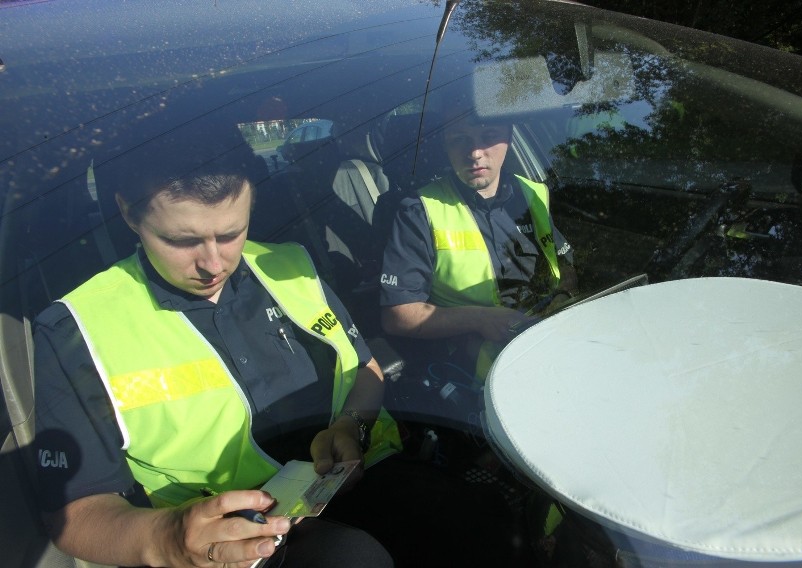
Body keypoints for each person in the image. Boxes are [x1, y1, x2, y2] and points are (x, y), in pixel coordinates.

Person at [32, 124, 401, 568]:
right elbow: (74, 513)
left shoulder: (290, 266)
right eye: (181, 241)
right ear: (129, 214)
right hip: (237, 549)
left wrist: (350, 428)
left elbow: (366, 368)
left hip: (370, 482)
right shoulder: (76, 330)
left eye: (231, 234)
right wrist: (165, 538)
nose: (212, 264)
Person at [379, 108, 579, 381]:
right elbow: (398, 315)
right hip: (481, 365)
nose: (474, 152)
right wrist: (481, 319)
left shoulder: (533, 193)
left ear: (508, 138)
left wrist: (562, 305)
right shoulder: (419, 211)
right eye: (460, 139)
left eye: (488, 136)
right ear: (445, 146)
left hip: (553, 339)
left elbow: (565, 264)